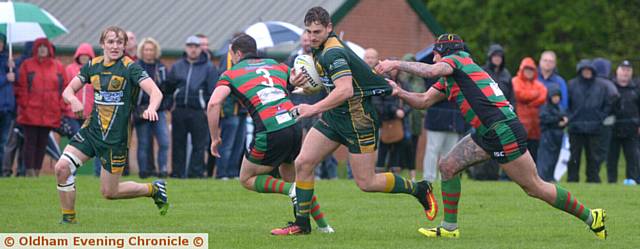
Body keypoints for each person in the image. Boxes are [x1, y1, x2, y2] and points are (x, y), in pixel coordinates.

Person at [376, 33, 606, 239]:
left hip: (503, 130)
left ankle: (591, 216)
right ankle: (449, 228)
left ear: (445, 53)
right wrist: (400, 92)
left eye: (436, 54)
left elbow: (431, 70)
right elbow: (424, 101)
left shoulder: (458, 61)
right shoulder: (452, 77)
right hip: (487, 131)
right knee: (447, 166)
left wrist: (395, 63)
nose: (434, 59)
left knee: (534, 187)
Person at [277, 7, 437, 235]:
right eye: (309, 31)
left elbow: (344, 90)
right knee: (303, 163)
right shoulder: (318, 49)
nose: (311, 36)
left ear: (329, 28)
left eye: (317, 31)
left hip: (359, 120)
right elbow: (330, 85)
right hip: (335, 117)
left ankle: (419, 188)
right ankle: (301, 224)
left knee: (367, 183)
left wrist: (313, 108)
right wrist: (298, 86)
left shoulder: (333, 53)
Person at [206, 34, 333, 234]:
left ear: (237, 53)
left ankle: (291, 191)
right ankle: (324, 227)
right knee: (297, 179)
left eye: (232, 54)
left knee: (246, 178)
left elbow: (214, 103)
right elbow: (297, 82)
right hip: (293, 124)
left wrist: (215, 138)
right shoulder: (276, 65)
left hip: (271, 129)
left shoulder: (230, 74)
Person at [54, 26, 167, 224]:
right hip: (92, 131)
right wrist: (73, 100)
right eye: (110, 42)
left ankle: (154, 189)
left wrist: (152, 107)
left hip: (116, 138)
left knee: (109, 192)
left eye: (119, 42)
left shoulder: (130, 67)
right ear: (102, 44)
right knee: (62, 168)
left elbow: (156, 92)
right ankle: (68, 221)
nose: (115, 46)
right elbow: (67, 91)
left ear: (124, 45)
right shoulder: (92, 65)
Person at [165, 35, 218, 178]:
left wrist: (207, 108)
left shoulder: (209, 67)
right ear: (186, 48)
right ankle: (177, 173)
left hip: (198, 112)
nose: (193, 49)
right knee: (177, 144)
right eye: (190, 46)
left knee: (199, 145)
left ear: (201, 48)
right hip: (179, 110)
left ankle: (196, 173)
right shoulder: (177, 66)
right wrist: (170, 106)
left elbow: (213, 91)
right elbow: (168, 88)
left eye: (196, 46)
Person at [15, 38, 67, 177]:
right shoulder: (27, 65)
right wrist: (25, 105)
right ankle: (29, 171)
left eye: (45, 46)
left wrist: (60, 106)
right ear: (35, 49)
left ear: (49, 49)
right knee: (29, 143)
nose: (42, 49)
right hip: (30, 112)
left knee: (42, 144)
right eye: (40, 47)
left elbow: (65, 88)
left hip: (50, 112)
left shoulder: (58, 66)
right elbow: (21, 87)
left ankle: (37, 171)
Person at [567, 59, 611, 183]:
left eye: (589, 70)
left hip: (595, 127)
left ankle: (593, 179)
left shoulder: (601, 86)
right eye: (584, 70)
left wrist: (600, 117)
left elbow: (608, 103)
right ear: (580, 71)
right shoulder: (572, 84)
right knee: (574, 156)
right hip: (575, 127)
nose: (587, 72)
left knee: (593, 157)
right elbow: (566, 104)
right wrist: (570, 117)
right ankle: (572, 180)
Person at [135, 37, 170, 178]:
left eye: (151, 49)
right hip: (141, 110)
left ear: (155, 51)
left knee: (164, 142)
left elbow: (167, 89)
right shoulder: (135, 67)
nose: (148, 52)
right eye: (146, 49)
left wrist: (166, 105)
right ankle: (143, 171)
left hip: (159, 110)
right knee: (143, 142)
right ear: (141, 51)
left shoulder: (161, 68)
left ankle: (162, 170)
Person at [607, 60, 639, 185]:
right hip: (612, 128)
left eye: (628, 70)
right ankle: (611, 182)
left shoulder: (637, 88)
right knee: (611, 158)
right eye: (623, 70)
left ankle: (632, 181)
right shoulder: (610, 86)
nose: (625, 73)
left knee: (633, 157)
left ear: (631, 72)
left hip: (632, 129)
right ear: (617, 71)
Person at [512, 57, 547, 163]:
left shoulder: (538, 84)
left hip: (535, 126)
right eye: (527, 69)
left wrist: (529, 102)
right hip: (519, 123)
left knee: (533, 152)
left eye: (531, 70)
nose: (529, 72)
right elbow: (519, 94)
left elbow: (543, 95)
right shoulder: (515, 81)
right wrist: (534, 95)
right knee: (516, 151)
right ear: (522, 69)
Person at [537, 86, 567, 182]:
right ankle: (542, 177)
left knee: (554, 157)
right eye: (554, 96)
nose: (556, 98)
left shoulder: (559, 108)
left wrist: (563, 122)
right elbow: (545, 119)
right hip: (548, 136)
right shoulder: (545, 107)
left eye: (558, 96)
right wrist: (559, 120)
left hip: (557, 136)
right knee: (545, 157)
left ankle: (550, 177)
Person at [0, 33, 16, 177]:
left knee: (5, 141)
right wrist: (6, 77)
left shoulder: (8, 61)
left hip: (7, 108)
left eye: (1, 41)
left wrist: (12, 68)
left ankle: (3, 172)